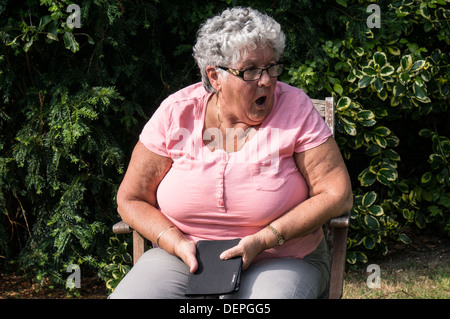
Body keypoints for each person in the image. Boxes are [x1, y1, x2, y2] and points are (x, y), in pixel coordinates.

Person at [109, 6, 352, 299]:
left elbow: (337, 193)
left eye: (271, 67)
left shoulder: (296, 110)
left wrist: (263, 240)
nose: (266, 80)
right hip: (182, 259)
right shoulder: (176, 113)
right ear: (215, 76)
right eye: (250, 70)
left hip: (281, 258)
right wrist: (175, 242)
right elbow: (130, 198)